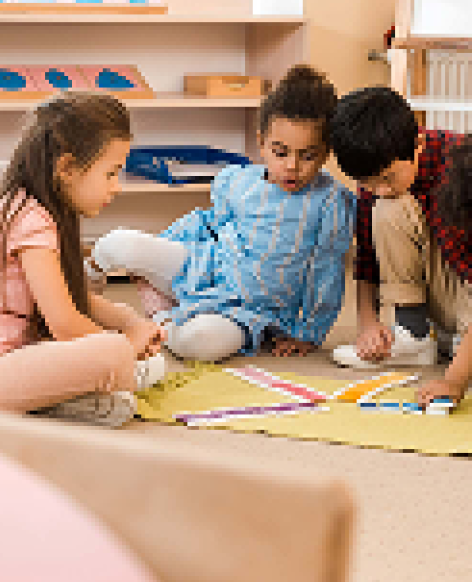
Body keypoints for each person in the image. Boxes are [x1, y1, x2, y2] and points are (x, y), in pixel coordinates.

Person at [90, 65, 355, 362]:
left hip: (250, 313)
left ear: (326, 152)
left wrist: (308, 334)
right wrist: (159, 249)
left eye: (308, 155)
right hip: (204, 269)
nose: (292, 165)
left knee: (199, 343)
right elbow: (204, 224)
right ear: (262, 143)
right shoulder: (237, 180)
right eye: (281, 152)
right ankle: (81, 292)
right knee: (117, 243)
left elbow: (327, 273)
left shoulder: (331, 201)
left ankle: (160, 318)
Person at [0, 92, 166, 428]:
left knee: (126, 338)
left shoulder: (31, 207)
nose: (116, 187)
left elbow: (68, 297)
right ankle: (88, 390)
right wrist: (127, 343)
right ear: (67, 168)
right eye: (111, 173)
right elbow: (65, 324)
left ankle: (81, 394)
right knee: (113, 354)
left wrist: (128, 321)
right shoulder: (31, 219)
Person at [330, 87, 472, 407]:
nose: (378, 189)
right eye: (368, 183)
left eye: (388, 177)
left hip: (465, 288)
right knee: (388, 207)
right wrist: (367, 324)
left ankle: (460, 344)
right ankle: (416, 335)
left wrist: (455, 379)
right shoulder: (377, 179)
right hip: (443, 293)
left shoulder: (461, 168)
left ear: (418, 144)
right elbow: (365, 257)